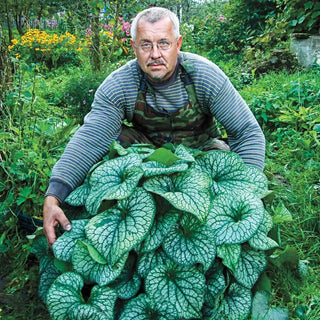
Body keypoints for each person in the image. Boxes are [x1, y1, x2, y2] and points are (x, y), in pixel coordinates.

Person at [43, 7, 265, 245]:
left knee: (224, 156)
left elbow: (246, 133)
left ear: (178, 44)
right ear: (134, 47)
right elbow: (91, 138)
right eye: (146, 45)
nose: (155, 54)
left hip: (201, 153)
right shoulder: (120, 85)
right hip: (148, 160)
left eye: (164, 43)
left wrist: (247, 192)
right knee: (112, 142)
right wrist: (54, 196)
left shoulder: (204, 76)